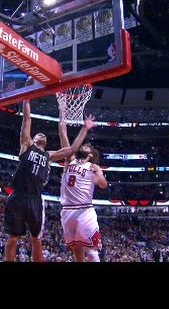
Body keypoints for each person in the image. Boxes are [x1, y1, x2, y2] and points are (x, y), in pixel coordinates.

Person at [3, 96, 96, 262]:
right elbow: (27, 118)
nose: (41, 134)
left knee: (36, 239)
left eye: (43, 135)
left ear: (45, 143)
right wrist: (27, 98)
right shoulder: (26, 145)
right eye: (38, 134)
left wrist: (81, 126)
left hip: (35, 199)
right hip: (17, 196)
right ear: (34, 139)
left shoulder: (49, 155)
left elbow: (73, 148)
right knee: (12, 238)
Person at [58, 106, 107, 262]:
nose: (84, 146)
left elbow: (103, 184)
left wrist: (98, 178)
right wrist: (62, 110)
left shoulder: (93, 167)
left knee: (92, 252)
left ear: (91, 155)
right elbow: (62, 133)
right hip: (67, 211)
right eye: (83, 145)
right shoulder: (69, 160)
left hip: (84, 210)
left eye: (87, 147)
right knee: (77, 253)